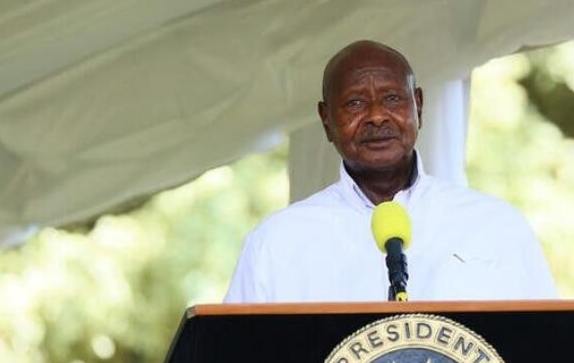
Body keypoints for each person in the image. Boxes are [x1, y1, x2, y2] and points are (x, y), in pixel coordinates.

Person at [224, 40, 555, 303]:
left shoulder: (496, 227)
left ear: (418, 107)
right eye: (355, 103)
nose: (377, 116)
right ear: (326, 121)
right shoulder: (277, 243)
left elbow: (547, 345)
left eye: (393, 98)